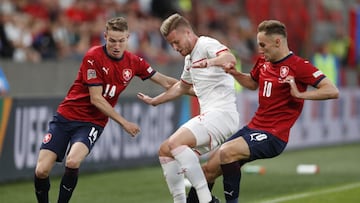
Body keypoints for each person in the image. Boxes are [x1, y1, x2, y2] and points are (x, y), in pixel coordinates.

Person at [186, 20, 339, 203]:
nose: (260, 49)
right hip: (253, 128)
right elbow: (252, 83)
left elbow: (332, 90)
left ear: (278, 42)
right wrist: (235, 73)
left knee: (227, 152)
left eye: (263, 45)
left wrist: (299, 94)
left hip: (274, 135)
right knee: (207, 170)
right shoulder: (263, 62)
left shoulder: (298, 65)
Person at [33, 16, 179, 203]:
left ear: (128, 38)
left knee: (72, 161)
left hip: (92, 122)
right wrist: (124, 122)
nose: (116, 46)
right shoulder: (93, 57)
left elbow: (166, 82)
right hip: (66, 116)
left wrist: (193, 88)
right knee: (41, 170)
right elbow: (96, 99)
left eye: (121, 41)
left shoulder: (134, 62)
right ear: (105, 37)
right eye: (112, 41)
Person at [137, 13, 239, 203]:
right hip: (212, 117)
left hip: (222, 115)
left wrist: (211, 62)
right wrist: (155, 101)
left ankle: (206, 200)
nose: (175, 48)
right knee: (165, 150)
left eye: (176, 42)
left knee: (176, 143)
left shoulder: (206, 44)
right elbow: (181, 87)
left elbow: (229, 58)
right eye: (171, 45)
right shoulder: (189, 59)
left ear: (187, 32)